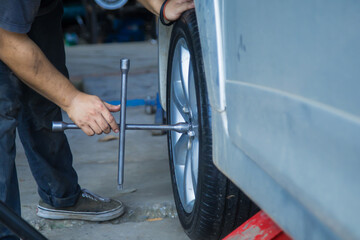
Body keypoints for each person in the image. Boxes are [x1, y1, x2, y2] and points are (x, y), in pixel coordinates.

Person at [0, 0, 194, 239]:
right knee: (3, 112)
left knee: (46, 95)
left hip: (40, 8)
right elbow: (6, 41)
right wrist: (72, 100)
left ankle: (61, 198)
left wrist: (159, 5)